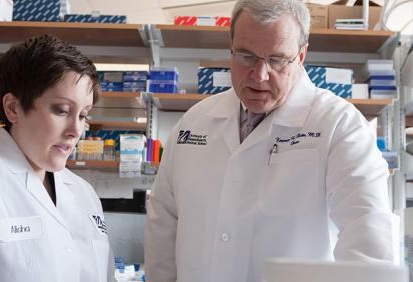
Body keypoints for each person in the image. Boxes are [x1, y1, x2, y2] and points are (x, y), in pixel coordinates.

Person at [145, 0, 399, 281]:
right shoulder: (194, 123)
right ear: (230, 47)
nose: (260, 75)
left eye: (277, 60)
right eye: (246, 57)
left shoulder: (339, 126)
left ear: (301, 56)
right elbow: (163, 225)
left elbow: (368, 239)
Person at [0, 35, 114, 282]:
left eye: (84, 115)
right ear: (12, 108)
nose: (76, 130)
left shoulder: (84, 193)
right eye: (62, 110)